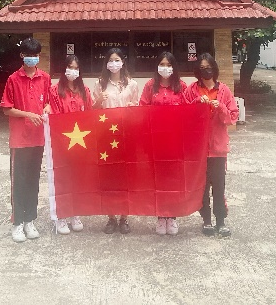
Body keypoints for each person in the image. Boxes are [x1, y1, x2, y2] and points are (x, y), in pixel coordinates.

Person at [0, 38, 51, 243]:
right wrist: (28, 114)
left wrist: (46, 108)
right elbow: (7, 109)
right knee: (18, 182)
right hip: (19, 140)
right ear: (22, 56)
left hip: (38, 139)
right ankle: (17, 223)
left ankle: (30, 220)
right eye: (29, 55)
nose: (33, 59)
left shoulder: (45, 78)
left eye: (36, 55)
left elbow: (49, 102)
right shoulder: (13, 79)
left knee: (33, 181)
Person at [184, 53, 239, 237]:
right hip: (198, 149)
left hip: (217, 149)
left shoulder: (224, 90)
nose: (205, 71)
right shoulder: (192, 90)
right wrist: (196, 103)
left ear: (214, 69)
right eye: (202, 68)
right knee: (202, 187)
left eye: (208, 67)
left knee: (219, 187)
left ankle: (221, 221)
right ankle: (206, 220)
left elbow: (232, 117)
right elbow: (183, 115)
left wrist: (220, 107)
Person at [140, 51, 187, 236]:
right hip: (155, 141)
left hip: (175, 141)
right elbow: (142, 110)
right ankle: (160, 217)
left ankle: (172, 216)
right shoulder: (150, 86)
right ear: (157, 66)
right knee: (157, 180)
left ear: (174, 67)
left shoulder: (181, 86)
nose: (165, 68)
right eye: (162, 64)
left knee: (173, 179)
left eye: (168, 65)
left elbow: (189, 111)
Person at [93, 47, 139, 234]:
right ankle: (111, 217)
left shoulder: (132, 84)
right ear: (106, 63)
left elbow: (138, 108)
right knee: (109, 177)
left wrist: (132, 106)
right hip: (106, 136)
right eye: (110, 60)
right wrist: (98, 101)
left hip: (126, 135)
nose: (114, 63)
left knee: (126, 177)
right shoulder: (100, 84)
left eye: (117, 60)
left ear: (123, 62)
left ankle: (124, 217)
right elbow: (92, 111)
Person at [48, 54, 93, 235]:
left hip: (80, 142)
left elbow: (89, 115)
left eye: (76, 68)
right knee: (63, 178)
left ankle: (75, 212)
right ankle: (61, 215)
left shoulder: (85, 91)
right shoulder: (55, 91)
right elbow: (55, 117)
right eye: (70, 67)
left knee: (78, 178)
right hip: (62, 141)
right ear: (64, 69)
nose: (72, 71)